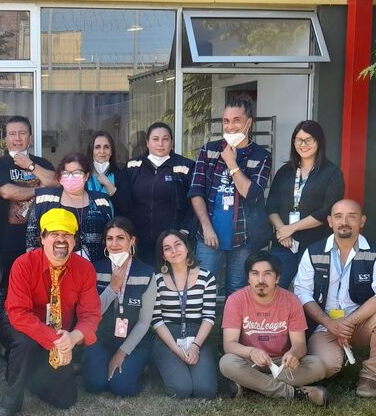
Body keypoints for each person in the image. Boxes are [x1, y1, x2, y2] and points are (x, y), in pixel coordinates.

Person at [0, 208, 101, 416]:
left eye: (67, 234)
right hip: (16, 323)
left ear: (75, 240)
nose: (61, 240)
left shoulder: (85, 269)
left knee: (66, 399)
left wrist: (73, 338)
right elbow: (18, 313)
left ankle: (20, 368)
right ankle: (10, 402)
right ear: (42, 238)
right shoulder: (23, 264)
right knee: (25, 343)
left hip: (59, 332)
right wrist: (57, 341)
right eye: (54, 234)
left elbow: (91, 314)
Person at [295, 199, 376, 398]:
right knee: (327, 367)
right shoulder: (313, 251)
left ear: (362, 221)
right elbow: (302, 293)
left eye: (351, 217)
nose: (344, 222)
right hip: (324, 326)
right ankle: (339, 355)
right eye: (338, 217)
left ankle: (370, 375)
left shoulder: (375, 253)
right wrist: (329, 323)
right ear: (330, 221)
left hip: (360, 323)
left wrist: (349, 322)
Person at [218, 251, 328, 406]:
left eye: (267, 274)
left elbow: (300, 344)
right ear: (248, 278)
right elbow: (229, 344)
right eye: (255, 274)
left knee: (317, 366)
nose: (261, 280)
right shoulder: (235, 300)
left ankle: (249, 385)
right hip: (249, 361)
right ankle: (294, 393)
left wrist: (293, 354)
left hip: (281, 363)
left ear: (277, 278)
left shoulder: (291, 300)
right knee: (227, 362)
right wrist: (251, 352)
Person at [189, 99, 273, 296]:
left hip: (243, 240)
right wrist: (206, 227)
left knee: (237, 292)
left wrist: (231, 163)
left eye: (236, 120)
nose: (230, 126)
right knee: (202, 291)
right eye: (226, 121)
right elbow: (196, 191)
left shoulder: (261, 156)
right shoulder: (209, 150)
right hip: (208, 237)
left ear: (248, 123)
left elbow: (251, 195)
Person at [0, 116, 57, 345]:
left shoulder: (42, 163)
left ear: (30, 137)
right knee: (9, 291)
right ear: (5, 138)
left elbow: (56, 183)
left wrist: (31, 167)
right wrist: (40, 190)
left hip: (42, 241)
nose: (17, 138)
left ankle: (41, 337)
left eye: (22, 133)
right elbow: (8, 192)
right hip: (11, 240)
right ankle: (8, 339)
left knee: (42, 291)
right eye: (12, 134)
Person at [266, 120, 345, 288]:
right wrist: (283, 230)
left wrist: (292, 228)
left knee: (312, 290)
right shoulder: (285, 171)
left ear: (319, 141)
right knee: (274, 288)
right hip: (284, 243)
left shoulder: (332, 173)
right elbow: (271, 205)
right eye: (298, 140)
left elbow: (327, 211)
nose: (303, 144)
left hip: (316, 243)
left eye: (308, 140)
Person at [82, 217, 155, 397]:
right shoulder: (94, 270)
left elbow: (144, 322)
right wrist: (113, 288)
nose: (114, 244)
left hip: (133, 340)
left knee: (121, 387)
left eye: (120, 238)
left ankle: (141, 366)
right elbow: (91, 315)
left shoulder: (147, 273)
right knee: (95, 385)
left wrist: (122, 353)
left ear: (132, 241)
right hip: (101, 338)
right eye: (110, 238)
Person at [150, 230, 219, 399]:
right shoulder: (157, 279)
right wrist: (177, 350)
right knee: (181, 389)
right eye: (167, 248)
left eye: (178, 244)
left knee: (205, 391)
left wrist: (195, 346)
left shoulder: (206, 277)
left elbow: (209, 316)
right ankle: (165, 367)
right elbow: (156, 319)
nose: (174, 251)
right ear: (163, 255)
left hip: (197, 336)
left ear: (187, 247)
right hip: (168, 337)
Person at [124, 122, 194, 266]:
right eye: (155, 139)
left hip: (172, 244)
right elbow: (124, 203)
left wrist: (185, 231)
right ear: (147, 142)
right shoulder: (132, 166)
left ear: (171, 142)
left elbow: (193, 203)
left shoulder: (186, 166)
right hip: (139, 241)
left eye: (165, 139)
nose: (160, 144)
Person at [26, 153, 114, 263]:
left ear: (86, 176)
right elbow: (32, 239)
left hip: (95, 268)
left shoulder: (102, 202)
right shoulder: (44, 200)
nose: (70, 177)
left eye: (77, 173)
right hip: (52, 268)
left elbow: (111, 236)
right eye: (66, 173)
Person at [86, 131, 131, 214]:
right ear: (91, 151)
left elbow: (126, 209)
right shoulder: (84, 176)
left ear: (111, 152)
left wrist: (109, 185)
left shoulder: (120, 175)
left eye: (106, 147)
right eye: (97, 147)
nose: (102, 151)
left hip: (113, 222)